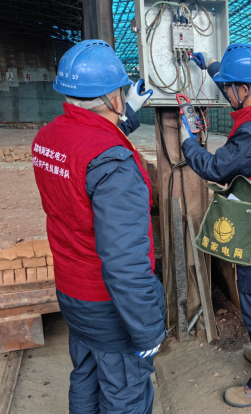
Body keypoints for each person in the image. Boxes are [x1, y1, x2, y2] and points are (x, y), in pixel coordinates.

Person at [32, 39, 165, 414]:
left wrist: (128, 114)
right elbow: (125, 263)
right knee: (124, 394)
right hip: (109, 306)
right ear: (113, 97)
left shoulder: (46, 139)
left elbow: (87, 142)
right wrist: (148, 329)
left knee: (86, 377)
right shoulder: (115, 167)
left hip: (72, 293)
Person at [186, 43, 251, 408]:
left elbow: (217, 168)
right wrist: (211, 66)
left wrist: (187, 142)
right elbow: (232, 83)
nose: (226, 93)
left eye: (229, 87)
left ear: (244, 89)